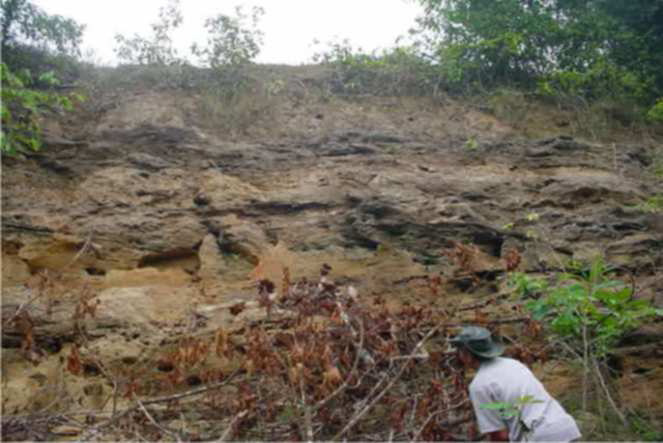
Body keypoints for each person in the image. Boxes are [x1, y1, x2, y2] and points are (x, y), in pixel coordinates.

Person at [450, 326, 581, 442]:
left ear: (467, 354)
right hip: (564, 426)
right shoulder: (513, 364)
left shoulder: (479, 385)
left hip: (538, 436)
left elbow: (500, 435)